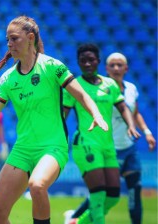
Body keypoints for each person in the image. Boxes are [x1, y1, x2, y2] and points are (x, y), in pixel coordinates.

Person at [0, 15, 109, 224]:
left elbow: (81, 95)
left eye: (14, 38)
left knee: (37, 185)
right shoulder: (8, 78)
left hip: (53, 147)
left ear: (30, 38)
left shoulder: (52, 66)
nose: (9, 44)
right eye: (7, 39)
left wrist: (96, 114)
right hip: (23, 150)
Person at [64, 52, 156, 224]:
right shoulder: (81, 86)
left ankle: (75, 221)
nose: (116, 68)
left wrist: (143, 130)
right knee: (98, 194)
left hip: (124, 147)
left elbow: (132, 112)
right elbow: (64, 113)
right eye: (112, 65)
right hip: (93, 144)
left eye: (119, 65)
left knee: (122, 193)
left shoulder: (126, 88)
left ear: (126, 68)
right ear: (106, 67)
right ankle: (79, 217)